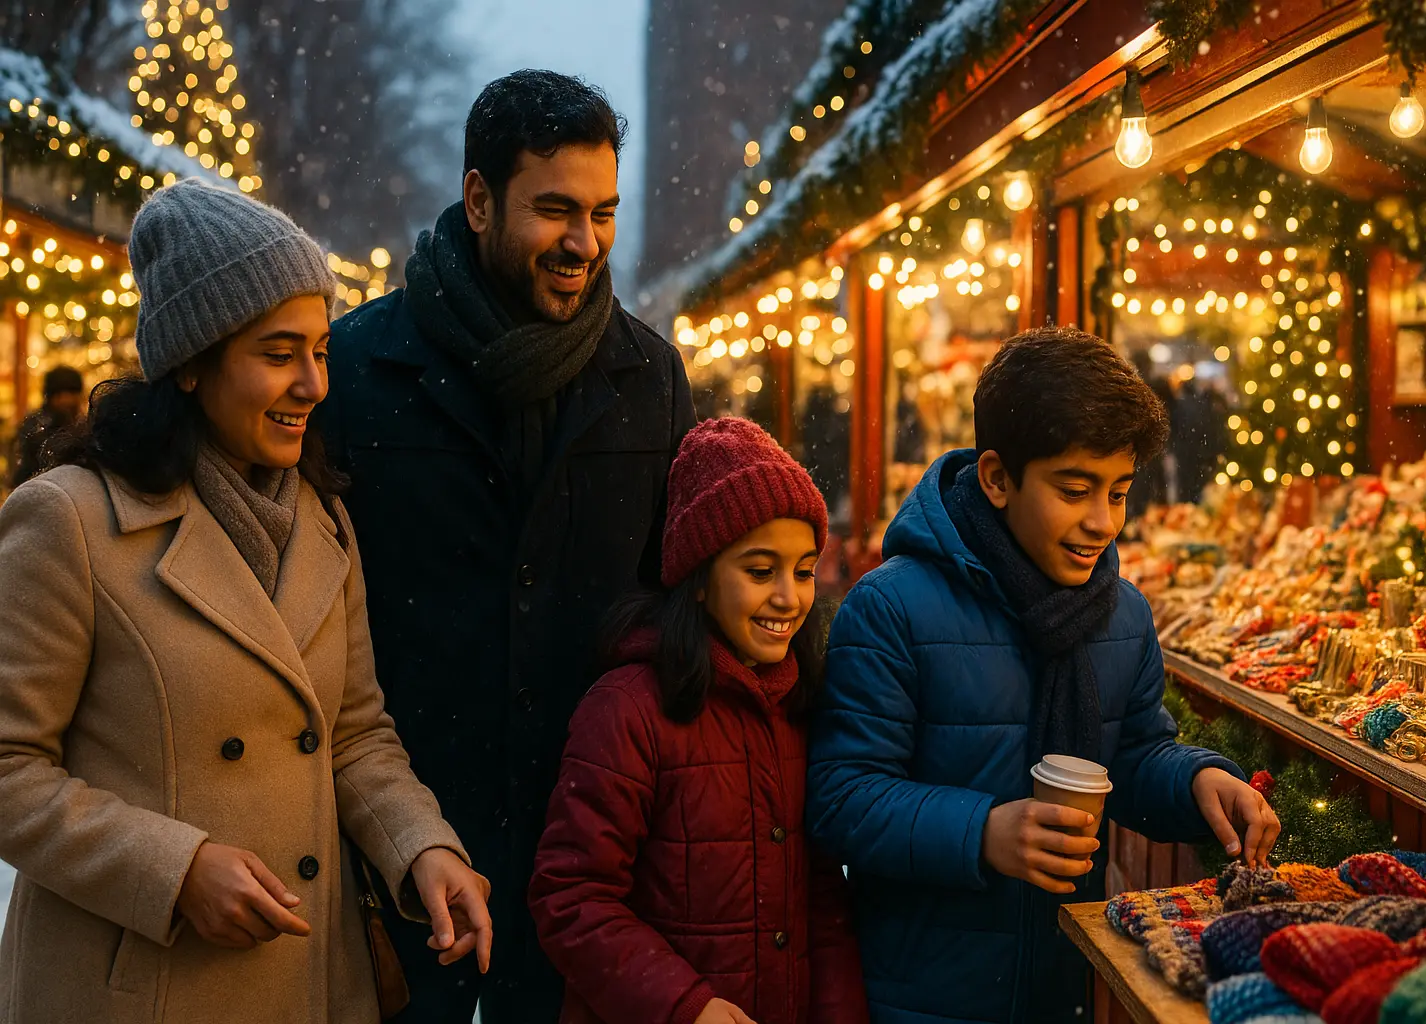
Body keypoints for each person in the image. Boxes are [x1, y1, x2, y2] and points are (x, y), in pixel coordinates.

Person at [0, 178, 491, 1024]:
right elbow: (9, 767)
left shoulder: (321, 516)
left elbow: (356, 735)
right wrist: (172, 871)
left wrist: (422, 847)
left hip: (308, 981)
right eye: (278, 354)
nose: (314, 384)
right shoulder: (69, 521)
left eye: (320, 352)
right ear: (192, 363)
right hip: (139, 991)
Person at [322, 70, 695, 1022]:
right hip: (396, 844)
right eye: (556, 210)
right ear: (479, 199)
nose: (585, 244)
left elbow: (677, 591)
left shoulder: (647, 374)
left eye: (604, 212)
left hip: (586, 852)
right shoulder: (359, 370)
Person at [806, 327, 1280, 1024]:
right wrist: (983, 832)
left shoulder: (1122, 615)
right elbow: (840, 798)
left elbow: (1134, 756)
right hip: (924, 996)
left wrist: (1196, 781)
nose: (1101, 522)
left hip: (1070, 985)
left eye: (1118, 493)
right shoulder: (891, 608)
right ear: (998, 478)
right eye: (1075, 489)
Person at [529, 417, 867, 1024]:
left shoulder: (800, 703)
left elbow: (822, 899)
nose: (789, 597)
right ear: (701, 579)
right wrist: (686, 1007)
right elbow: (572, 897)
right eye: (760, 572)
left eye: (805, 570)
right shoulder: (628, 707)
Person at [8, 364, 85, 489]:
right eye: (61, 394)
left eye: (72, 393)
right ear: (50, 396)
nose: (67, 400)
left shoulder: (83, 424)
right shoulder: (35, 428)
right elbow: (22, 471)